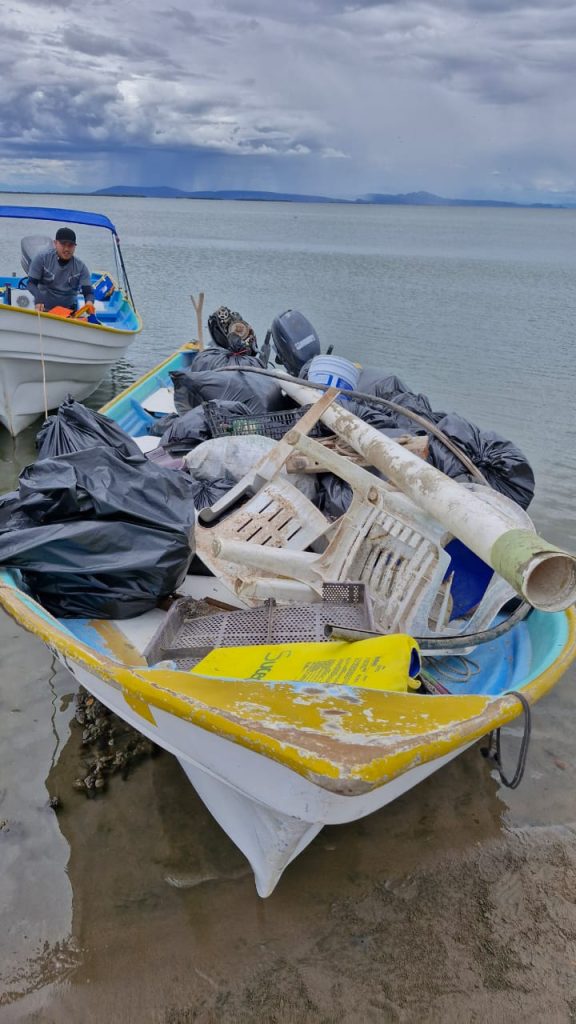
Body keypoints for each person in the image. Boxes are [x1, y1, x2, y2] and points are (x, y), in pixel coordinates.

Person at [27, 227, 95, 314]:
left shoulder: (81, 267)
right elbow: (30, 283)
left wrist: (89, 302)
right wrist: (38, 297)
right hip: (43, 311)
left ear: (75, 246)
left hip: (68, 313)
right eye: (63, 244)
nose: (66, 249)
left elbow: (88, 292)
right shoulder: (42, 259)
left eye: (70, 245)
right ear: (55, 243)